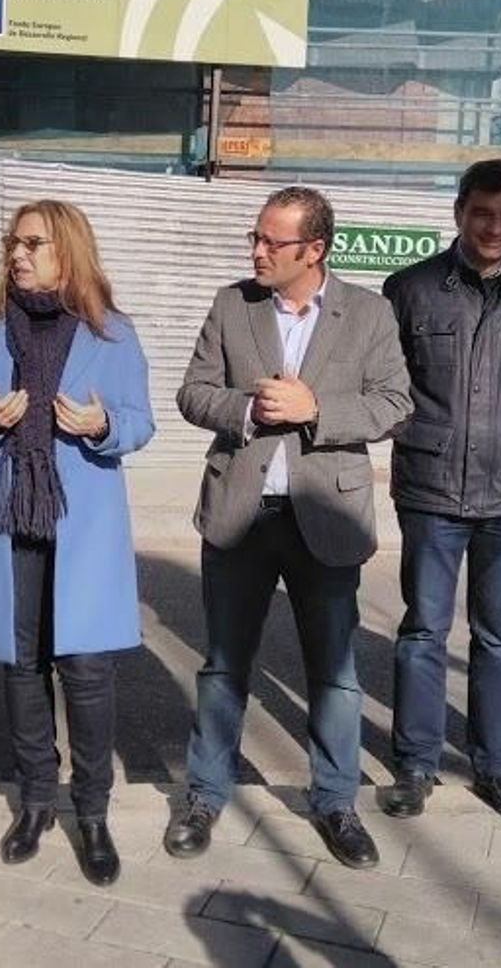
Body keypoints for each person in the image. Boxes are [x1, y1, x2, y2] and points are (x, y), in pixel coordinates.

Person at [164, 186, 413, 870]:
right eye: (256, 238)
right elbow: (192, 391)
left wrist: (313, 408)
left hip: (326, 515)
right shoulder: (231, 303)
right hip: (241, 512)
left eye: (273, 242)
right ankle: (205, 795)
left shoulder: (368, 313)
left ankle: (335, 802)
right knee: (223, 665)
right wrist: (249, 410)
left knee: (333, 672)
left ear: (316, 249)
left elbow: (394, 404)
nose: (257, 252)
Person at [0, 200, 155, 887]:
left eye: (32, 243)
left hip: (82, 519)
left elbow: (140, 421)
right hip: (8, 516)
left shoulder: (112, 334)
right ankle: (36, 798)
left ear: (68, 251)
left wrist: (101, 424)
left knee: (87, 670)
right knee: (21, 662)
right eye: (13, 243)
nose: (17, 254)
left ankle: (91, 810)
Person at [380, 159, 501, 825]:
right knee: (423, 631)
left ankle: (496, 766)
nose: (496, 227)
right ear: (459, 211)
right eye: (483, 212)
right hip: (431, 489)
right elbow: (391, 382)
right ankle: (415, 763)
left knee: (498, 638)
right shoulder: (410, 288)